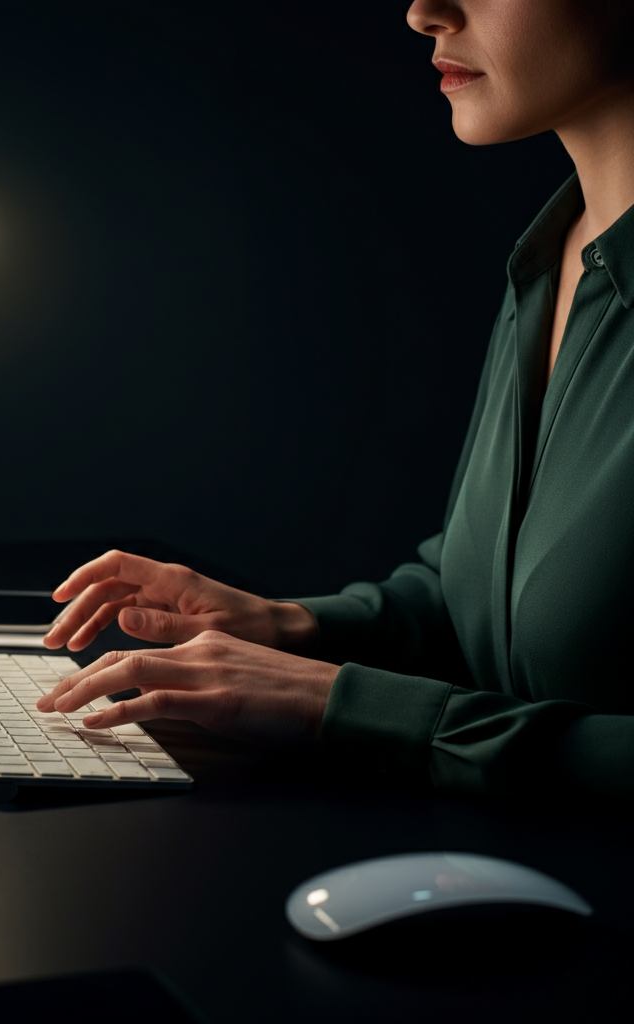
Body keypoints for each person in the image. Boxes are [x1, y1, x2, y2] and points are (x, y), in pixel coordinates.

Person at [37, 0, 634, 803]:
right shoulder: (551, 254)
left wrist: (342, 704)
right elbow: (486, 605)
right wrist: (288, 628)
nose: (425, 11)